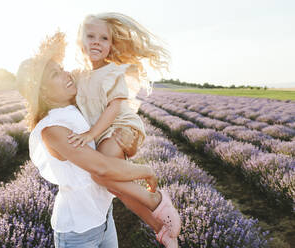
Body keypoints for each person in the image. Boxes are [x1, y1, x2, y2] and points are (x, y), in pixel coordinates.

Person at [17, 32, 179, 248]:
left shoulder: (77, 109)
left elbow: (109, 142)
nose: (67, 75)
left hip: (103, 217)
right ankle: (157, 206)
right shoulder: (51, 129)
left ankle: (160, 228)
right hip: (78, 233)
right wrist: (147, 171)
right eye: (56, 74)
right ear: (43, 93)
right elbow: (102, 168)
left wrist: (127, 142)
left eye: (62, 69)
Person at [67, 12, 181, 246]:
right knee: (118, 189)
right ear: (80, 41)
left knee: (100, 173)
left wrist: (90, 134)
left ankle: (154, 197)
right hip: (101, 133)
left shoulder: (113, 72)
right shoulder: (78, 75)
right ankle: (161, 230)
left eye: (104, 38)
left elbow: (112, 110)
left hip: (121, 127)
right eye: (90, 36)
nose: (97, 41)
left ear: (112, 45)